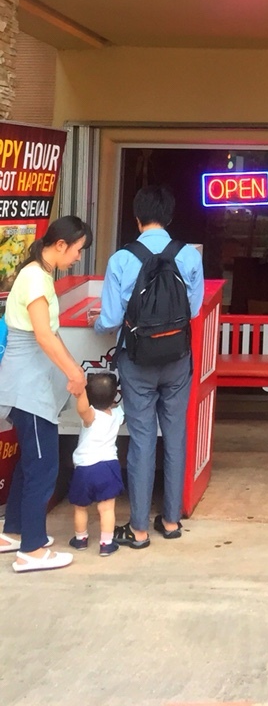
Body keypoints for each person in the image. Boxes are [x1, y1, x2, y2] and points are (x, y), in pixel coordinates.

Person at [94, 185, 204, 548]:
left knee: (141, 439)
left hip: (137, 359)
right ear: (169, 216)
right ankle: (170, 521)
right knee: (175, 434)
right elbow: (194, 309)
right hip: (177, 359)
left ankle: (138, 529)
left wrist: (98, 323)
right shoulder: (189, 256)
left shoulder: (121, 259)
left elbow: (111, 319)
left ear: (137, 217)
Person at [0, 215, 92, 573]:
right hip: (29, 388)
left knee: (31, 463)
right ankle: (33, 550)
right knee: (44, 467)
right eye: (77, 250)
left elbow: (52, 335)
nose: (78, 257)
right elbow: (42, 335)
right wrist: (73, 372)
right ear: (60, 245)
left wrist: (74, 369)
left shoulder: (38, 274)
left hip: (29, 384)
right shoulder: (36, 278)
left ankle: (15, 533)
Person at [67, 371, 124, 557]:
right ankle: (106, 544)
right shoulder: (117, 413)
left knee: (80, 507)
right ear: (114, 396)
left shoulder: (91, 416)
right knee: (107, 508)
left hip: (85, 468)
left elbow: (83, 410)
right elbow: (117, 407)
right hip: (108, 467)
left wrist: (80, 393)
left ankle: (80, 539)